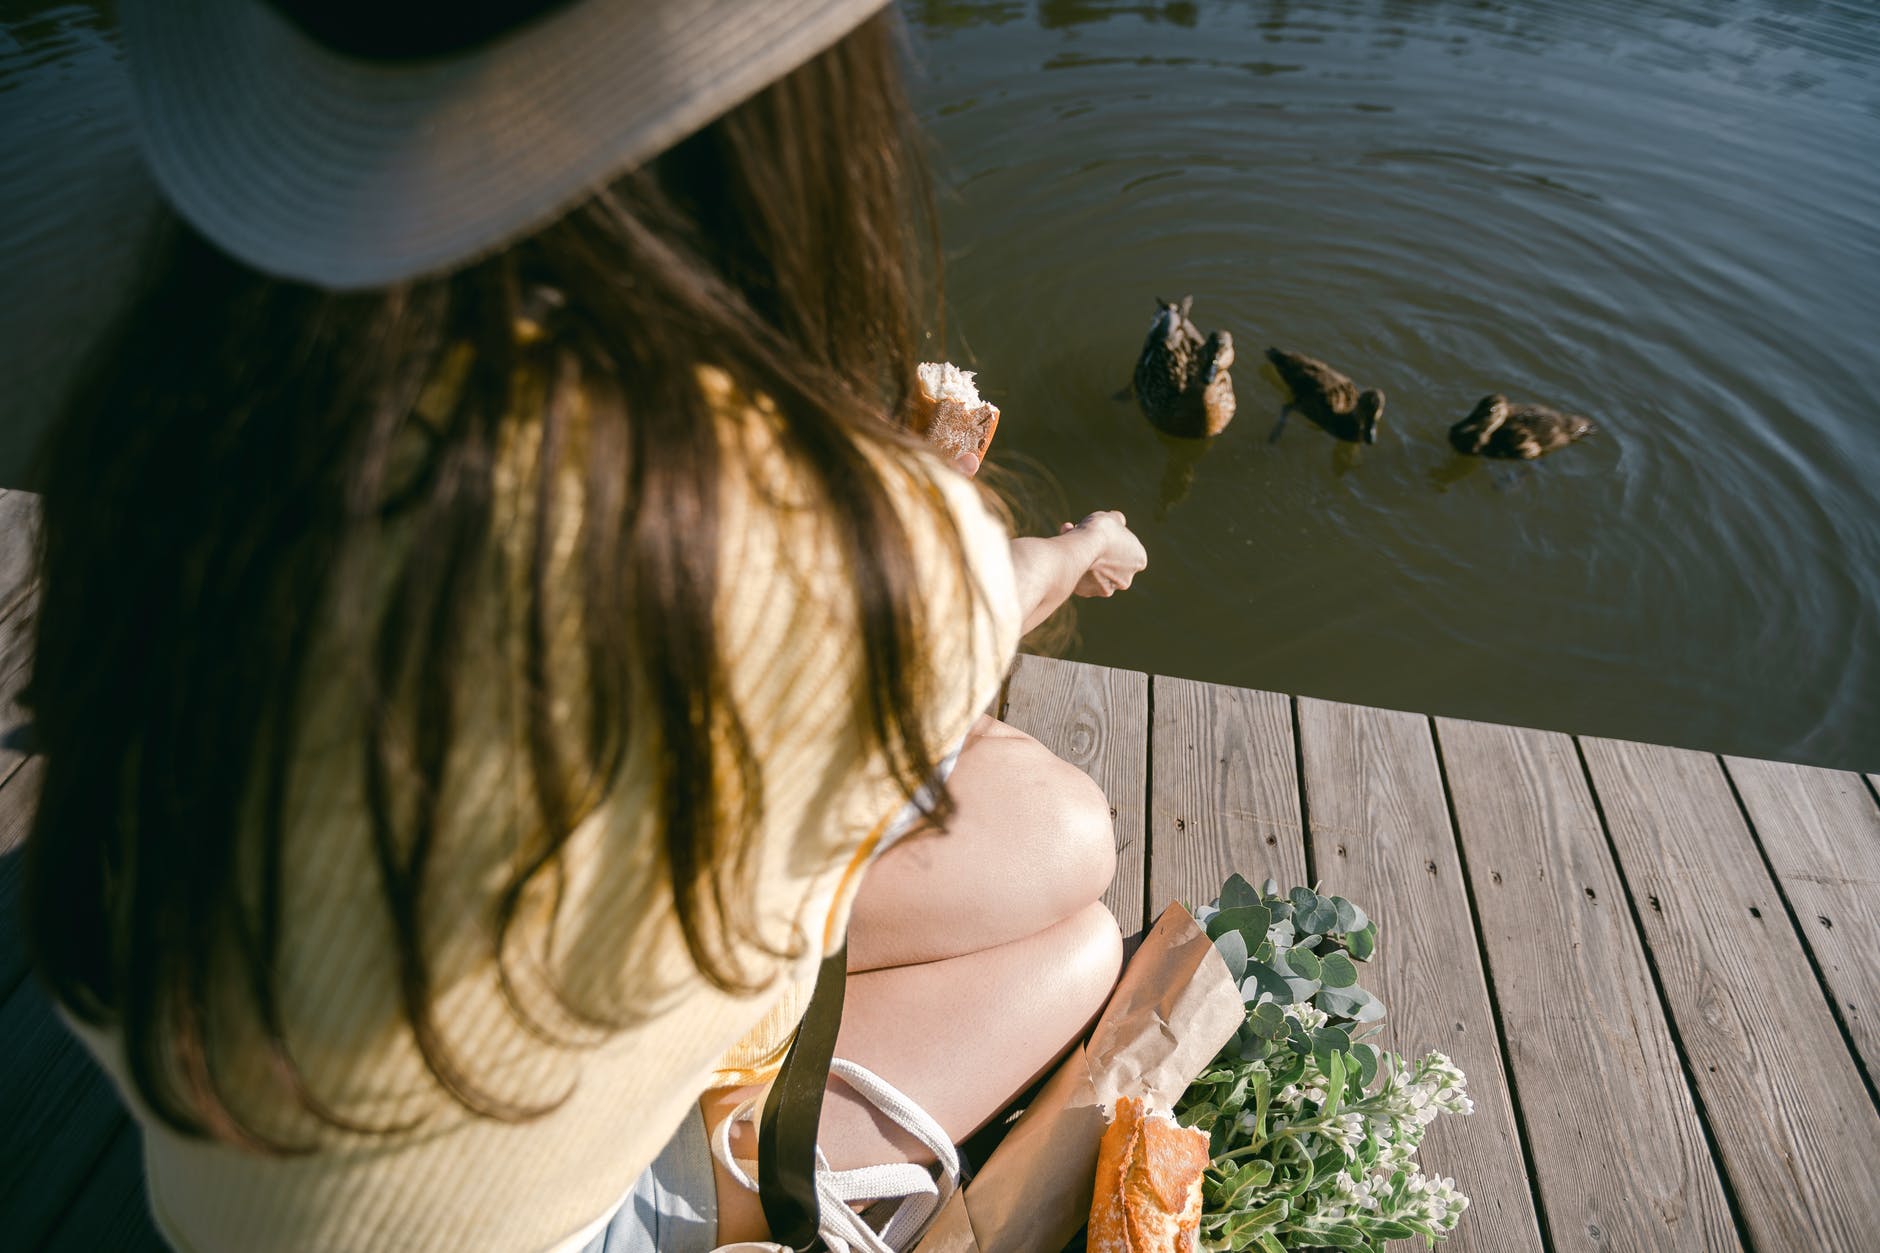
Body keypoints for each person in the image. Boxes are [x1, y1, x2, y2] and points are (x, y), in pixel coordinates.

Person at [21, 2, 1149, 1249]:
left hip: (227, 1187)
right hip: (502, 1225)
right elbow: (977, 597)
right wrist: (1073, 546)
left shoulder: (182, 391)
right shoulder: (795, 531)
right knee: (1071, 902)